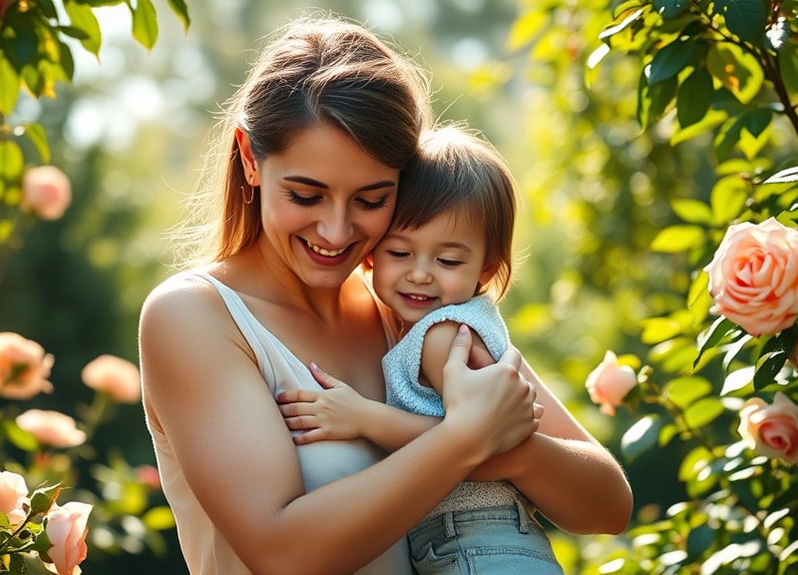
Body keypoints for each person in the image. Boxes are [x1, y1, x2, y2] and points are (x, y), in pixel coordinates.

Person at [139, 14, 633, 575]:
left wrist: (503, 444)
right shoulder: (195, 316)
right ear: (251, 160)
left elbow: (607, 504)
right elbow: (281, 552)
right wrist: (465, 439)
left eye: (371, 200)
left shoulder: (408, 308)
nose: (335, 230)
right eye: (306, 195)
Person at [278, 125, 564, 574]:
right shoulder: (445, 325)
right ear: (371, 254)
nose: (420, 274)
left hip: (475, 539)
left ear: (486, 269)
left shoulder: (445, 336)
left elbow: (469, 440)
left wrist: (361, 417)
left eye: (448, 261)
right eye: (399, 253)